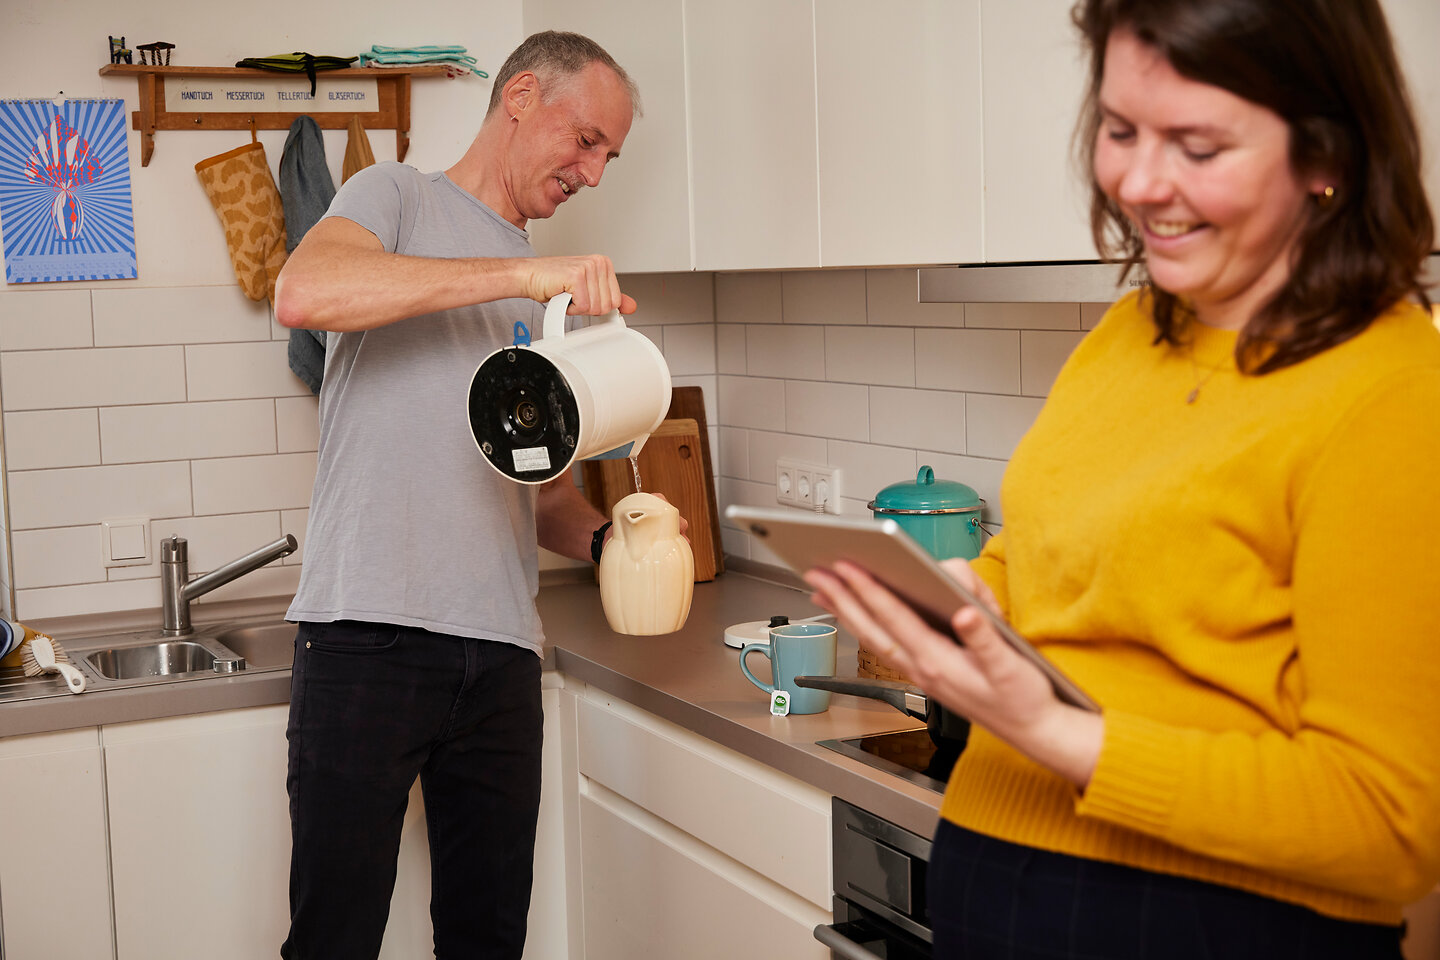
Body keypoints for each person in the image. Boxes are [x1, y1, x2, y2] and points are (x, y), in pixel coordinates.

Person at [804, 1, 1440, 957]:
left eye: (1197, 145)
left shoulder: (1391, 393)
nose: (1141, 183)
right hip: (993, 861)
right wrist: (967, 599)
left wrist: (1063, 736)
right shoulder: (1128, 335)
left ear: (1326, 156)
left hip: (1211, 920)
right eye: (1120, 129)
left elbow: (1391, 827)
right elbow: (1054, 549)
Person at [272, 31, 641, 960]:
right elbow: (304, 291)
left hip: (502, 657)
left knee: (487, 943)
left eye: (609, 156)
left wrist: (612, 542)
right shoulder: (393, 195)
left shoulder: (539, 294)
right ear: (521, 96)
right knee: (334, 939)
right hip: (367, 636)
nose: (593, 174)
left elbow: (531, 492)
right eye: (587, 140)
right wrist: (522, 274)